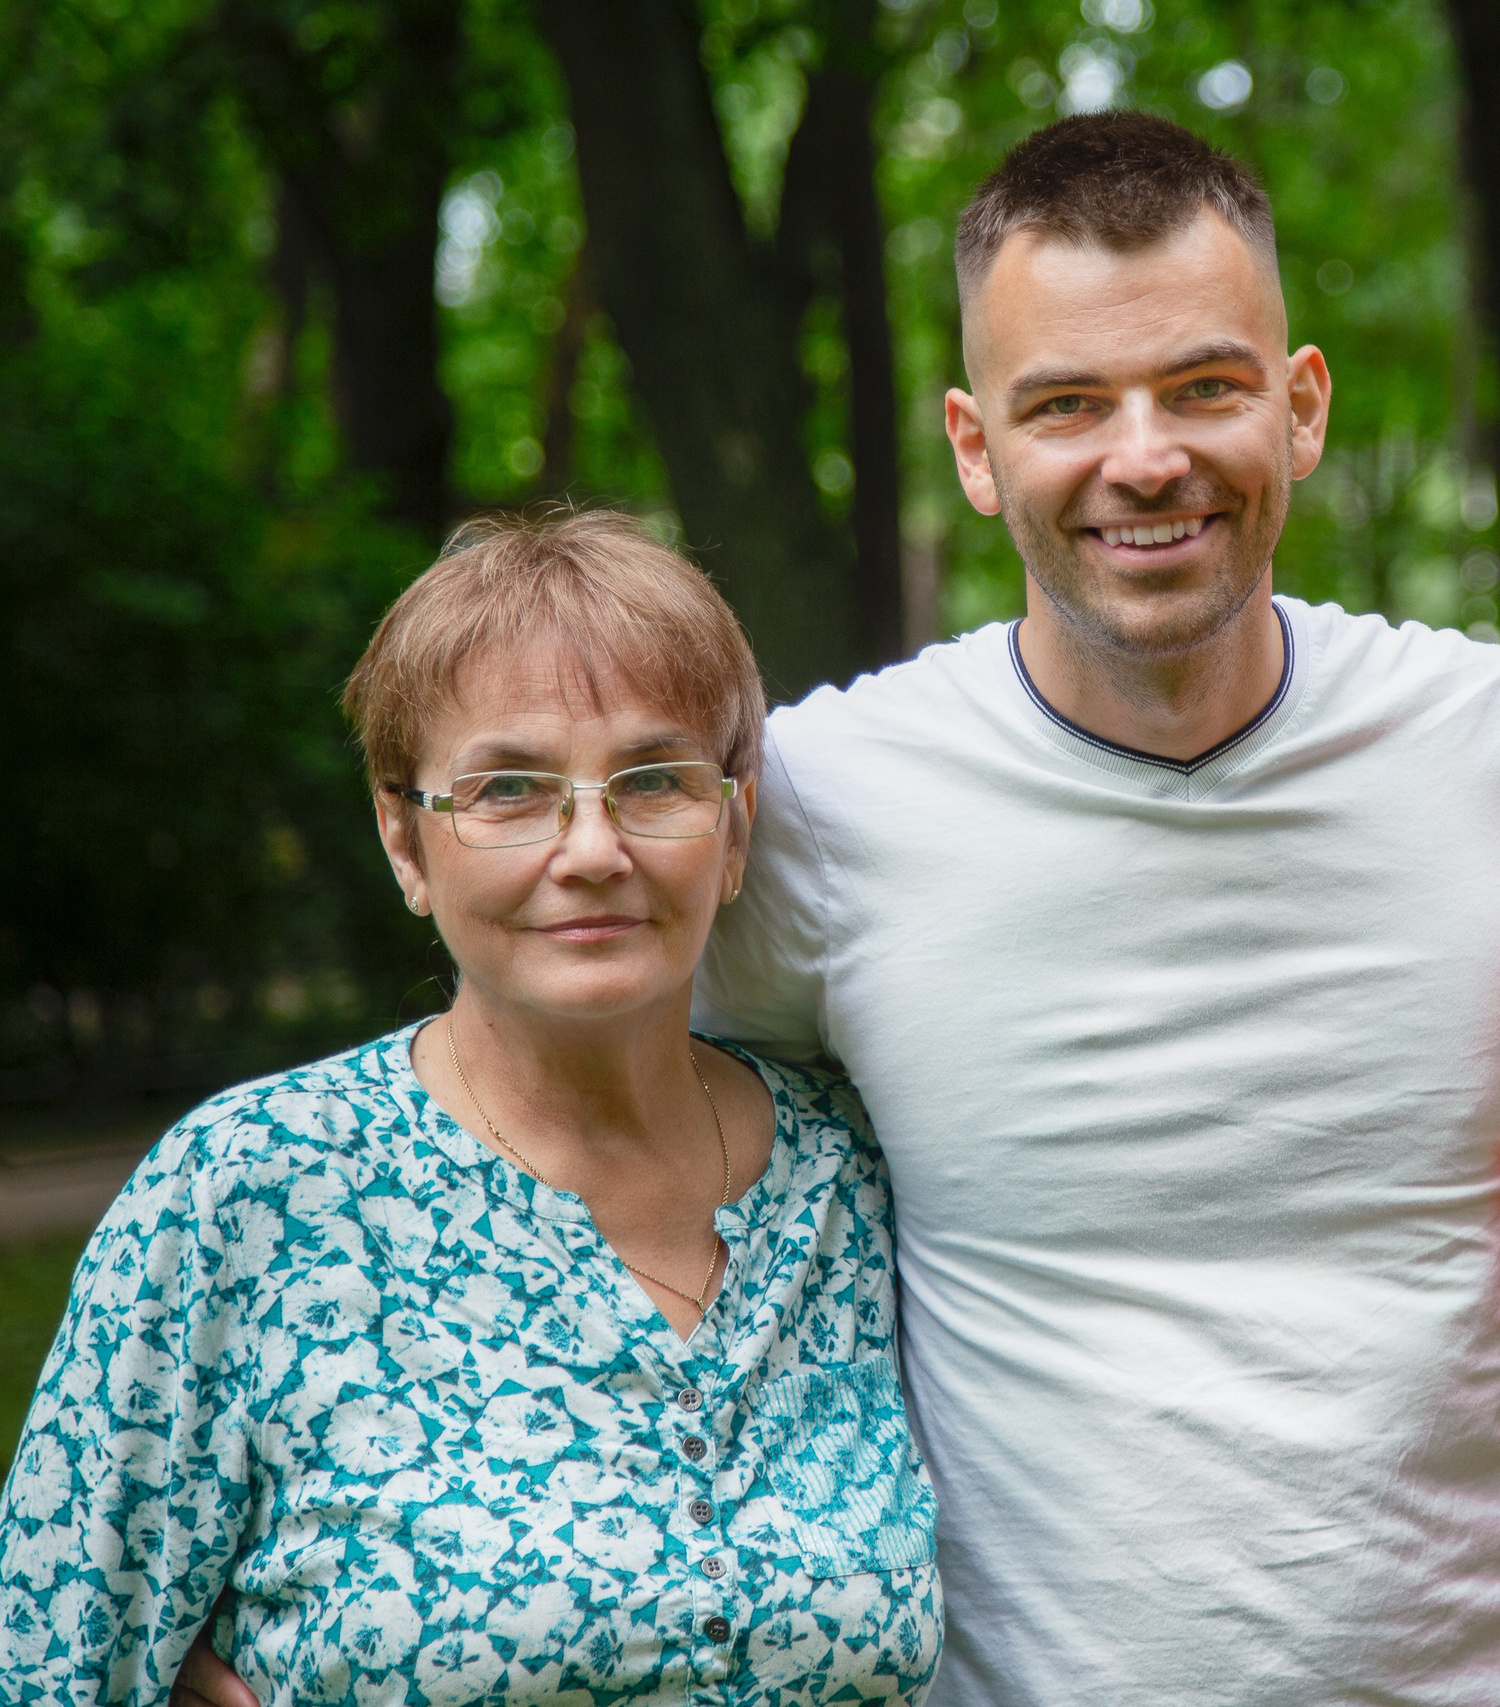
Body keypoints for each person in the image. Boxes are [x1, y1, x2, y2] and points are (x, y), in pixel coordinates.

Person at [694, 113, 1500, 1704]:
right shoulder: (826, 800)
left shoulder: (1482, 739)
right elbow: (597, 1147)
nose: (1145, 457)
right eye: (1067, 404)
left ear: (1300, 406)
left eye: (1203, 386)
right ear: (976, 447)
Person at [2, 512, 940, 1705]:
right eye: (509, 791)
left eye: (654, 780)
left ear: (735, 827)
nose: (591, 849)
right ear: (405, 840)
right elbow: (52, 1661)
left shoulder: (853, 1176)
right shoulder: (248, 1192)